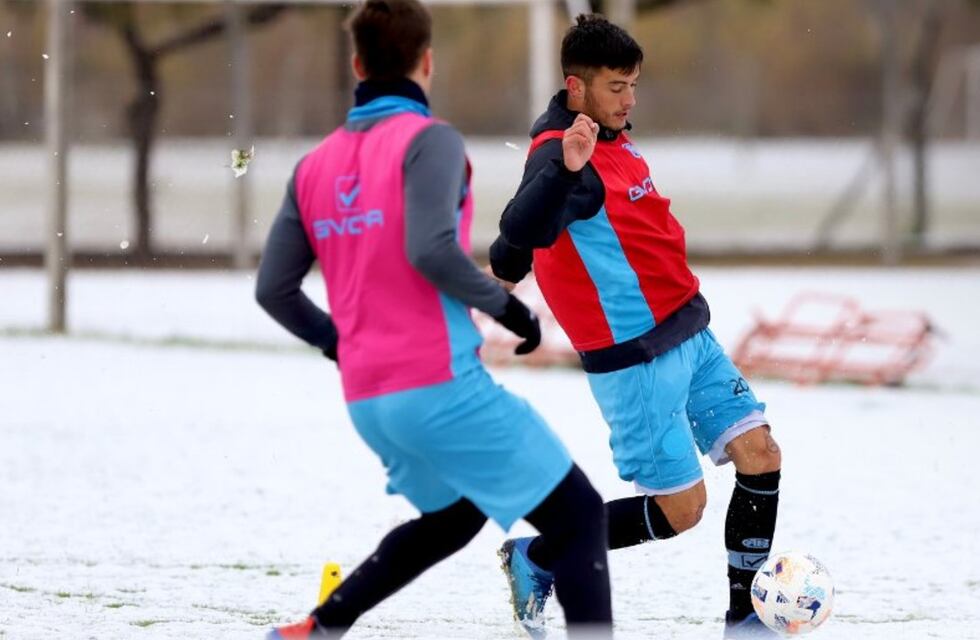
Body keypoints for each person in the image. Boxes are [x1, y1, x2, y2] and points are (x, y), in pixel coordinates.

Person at [255, 2, 613, 638]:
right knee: (580, 517)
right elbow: (430, 249)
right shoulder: (431, 141)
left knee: (458, 513)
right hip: (438, 387)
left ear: (358, 64)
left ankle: (321, 626)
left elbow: (274, 291)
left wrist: (340, 343)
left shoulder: (313, 166)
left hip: (368, 399)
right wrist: (508, 310)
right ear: (427, 62)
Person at [489, 14, 782, 640]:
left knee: (760, 455)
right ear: (576, 87)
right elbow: (515, 238)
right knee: (682, 510)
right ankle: (539, 556)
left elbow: (525, 251)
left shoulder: (609, 132)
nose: (631, 98)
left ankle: (745, 618)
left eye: (634, 85)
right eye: (618, 86)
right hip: (636, 361)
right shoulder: (566, 155)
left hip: (689, 333)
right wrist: (566, 171)